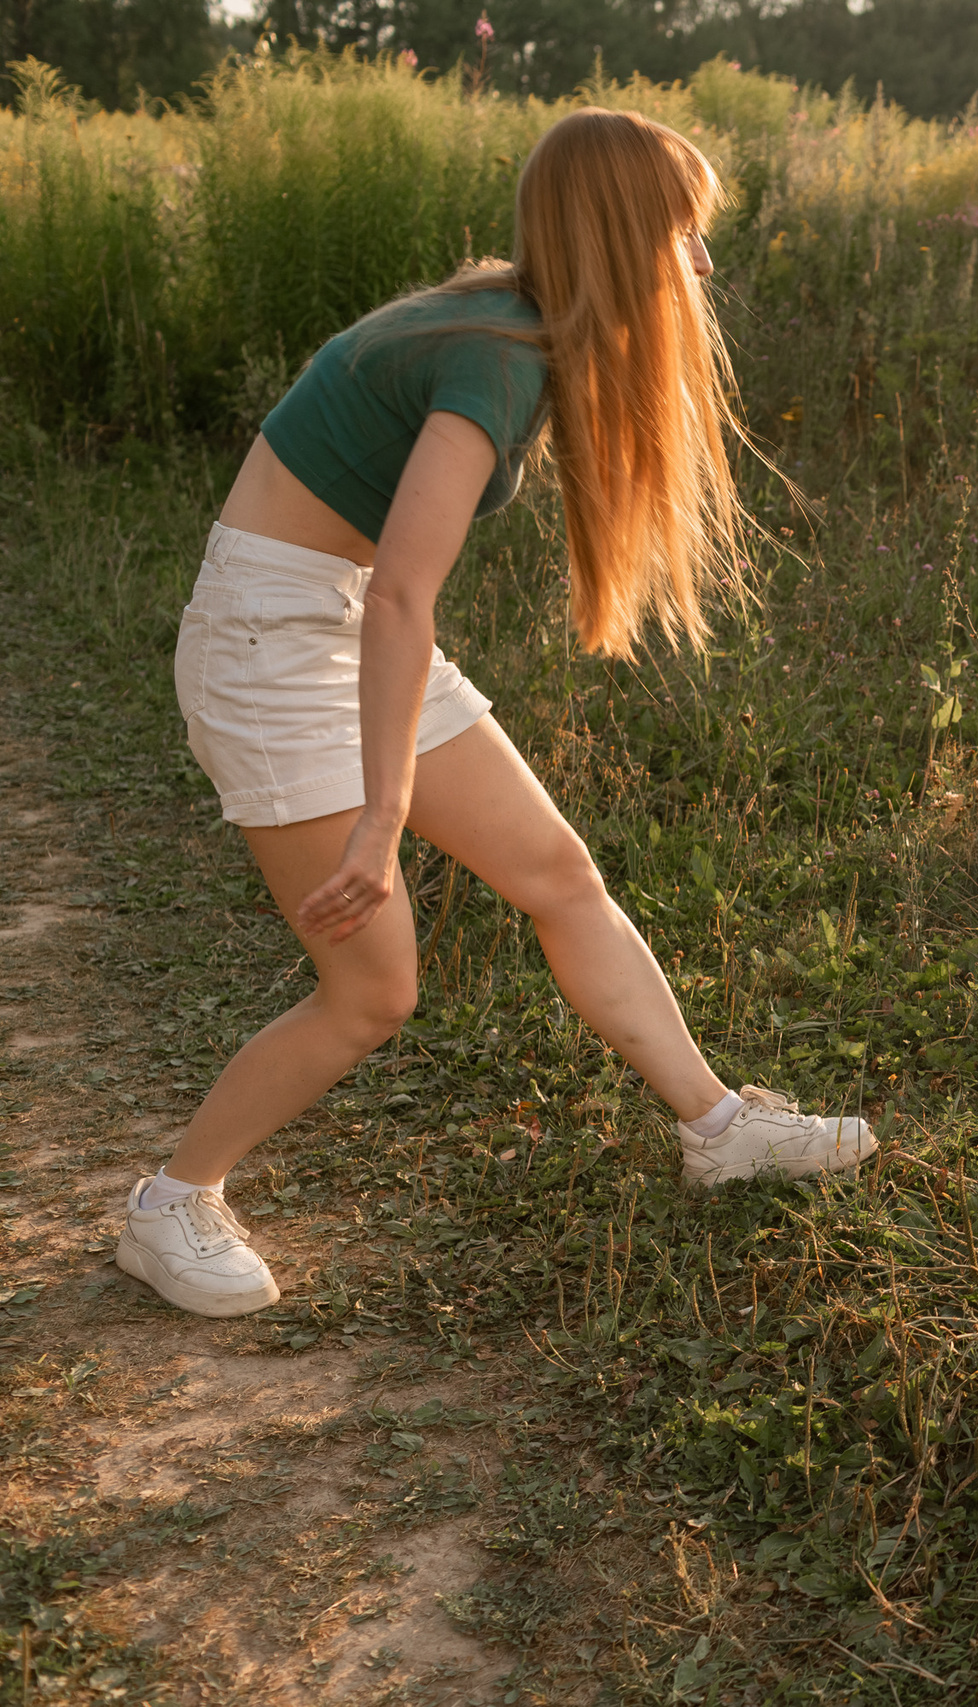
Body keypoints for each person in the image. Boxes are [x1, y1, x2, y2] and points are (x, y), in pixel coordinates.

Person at [117, 107, 873, 1321]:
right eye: (687, 234)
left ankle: (719, 1129)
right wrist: (381, 824)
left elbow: (385, 594)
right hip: (273, 642)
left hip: (329, 612)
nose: (703, 263)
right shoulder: (500, 356)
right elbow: (407, 595)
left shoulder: (508, 317)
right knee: (374, 993)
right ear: (628, 236)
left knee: (560, 875)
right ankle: (169, 1203)